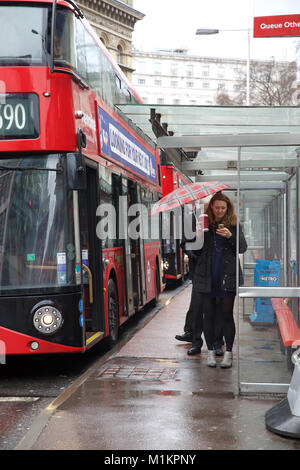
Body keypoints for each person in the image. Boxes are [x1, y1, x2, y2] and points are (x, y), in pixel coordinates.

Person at [192, 192, 247, 368]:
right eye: (217, 207)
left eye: (223, 208)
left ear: (227, 208)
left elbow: (243, 248)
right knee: (208, 315)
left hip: (227, 276)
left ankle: (228, 353)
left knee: (226, 315)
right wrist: (198, 235)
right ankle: (210, 353)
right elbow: (195, 252)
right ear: (211, 208)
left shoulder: (233, 225)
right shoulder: (205, 225)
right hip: (207, 276)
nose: (220, 210)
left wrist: (230, 237)